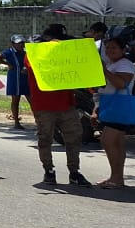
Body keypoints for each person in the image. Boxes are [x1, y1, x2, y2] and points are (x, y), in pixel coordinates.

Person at [25, 24, 91, 187]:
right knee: (45, 139)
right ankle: (49, 171)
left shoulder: (67, 54)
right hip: (44, 105)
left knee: (74, 138)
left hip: (66, 104)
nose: (60, 44)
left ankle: (74, 172)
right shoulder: (34, 54)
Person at [92, 36, 135, 189]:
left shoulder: (126, 65)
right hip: (110, 105)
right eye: (108, 48)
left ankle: (116, 177)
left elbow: (120, 84)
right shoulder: (113, 64)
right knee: (117, 143)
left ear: (123, 50)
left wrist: (104, 70)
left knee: (107, 141)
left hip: (120, 106)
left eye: (114, 48)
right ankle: (116, 177)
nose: (110, 50)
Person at [0, 34, 30, 129]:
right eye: (18, 43)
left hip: (25, 78)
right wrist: (7, 64)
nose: (21, 45)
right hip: (15, 78)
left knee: (32, 100)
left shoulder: (25, 52)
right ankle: (16, 122)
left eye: (22, 43)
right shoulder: (9, 52)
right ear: (12, 44)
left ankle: (38, 121)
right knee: (15, 100)